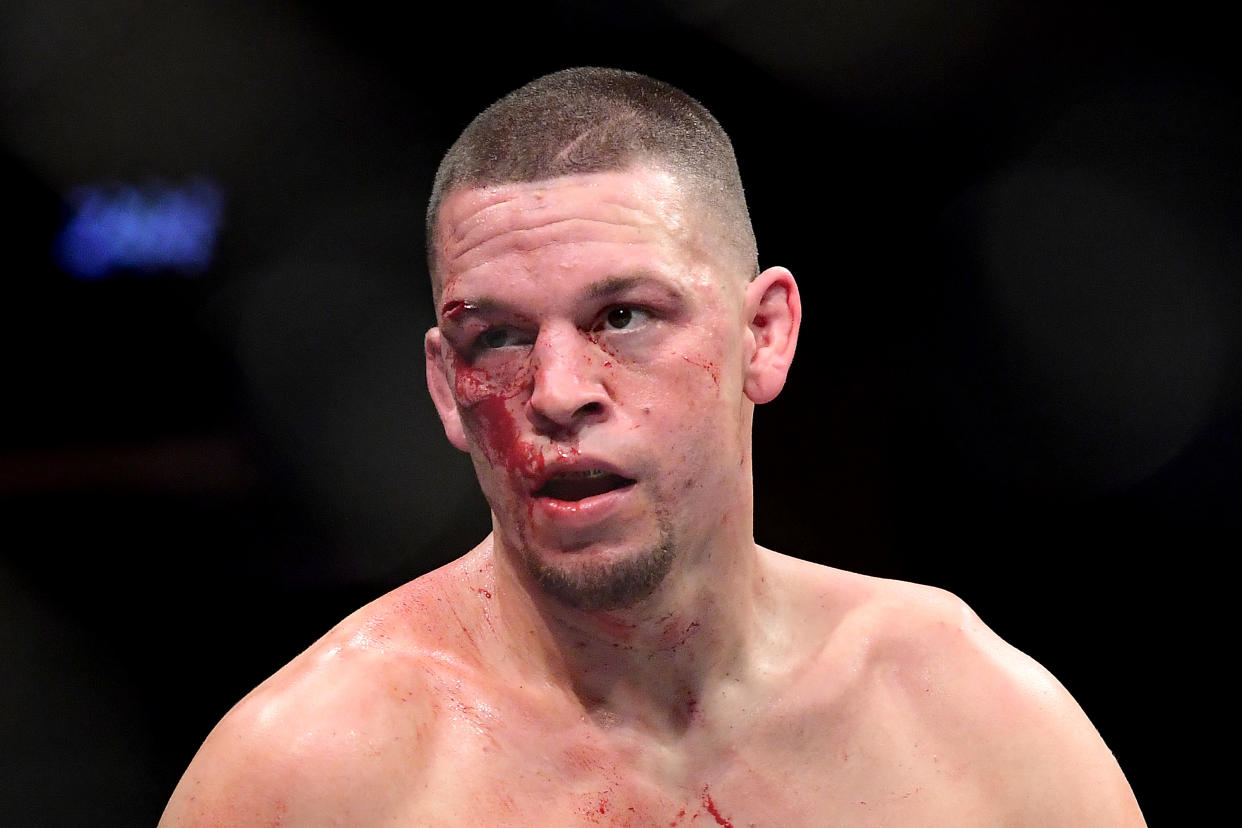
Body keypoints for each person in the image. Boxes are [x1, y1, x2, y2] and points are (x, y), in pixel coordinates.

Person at [159, 67, 1145, 826]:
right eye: (495, 338)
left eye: (623, 316)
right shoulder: (309, 774)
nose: (555, 393)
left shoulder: (970, 721)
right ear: (444, 389)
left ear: (764, 335)